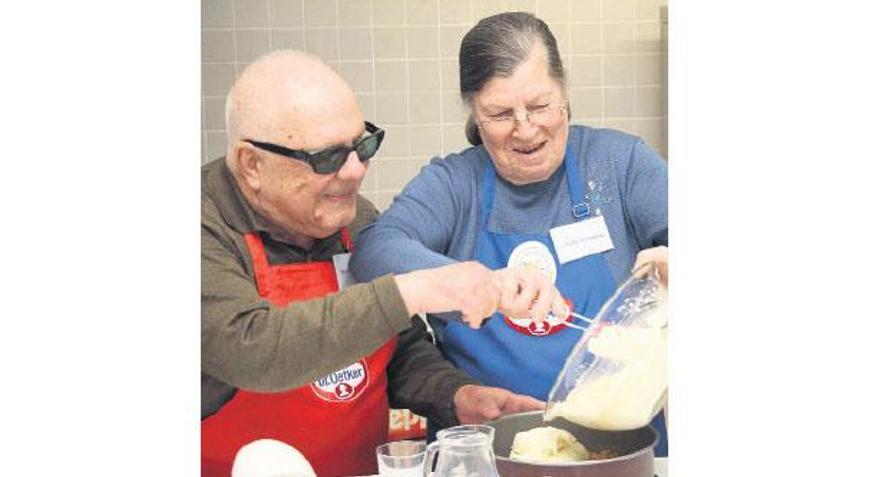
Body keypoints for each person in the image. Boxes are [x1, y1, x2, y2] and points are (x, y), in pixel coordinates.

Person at [201, 50, 563, 477]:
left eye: (362, 144)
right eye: (326, 158)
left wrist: (456, 395)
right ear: (252, 163)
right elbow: (251, 346)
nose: (356, 171)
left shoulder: (354, 219)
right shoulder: (202, 226)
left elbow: (397, 348)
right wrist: (415, 289)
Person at [349, 12, 669, 455]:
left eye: (540, 106)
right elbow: (373, 253)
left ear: (565, 91)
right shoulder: (453, 185)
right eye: (500, 114)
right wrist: (478, 283)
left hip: (620, 450)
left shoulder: (619, 165)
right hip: (485, 452)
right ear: (473, 114)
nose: (525, 129)